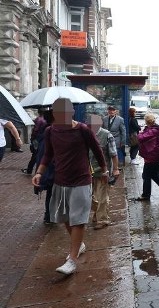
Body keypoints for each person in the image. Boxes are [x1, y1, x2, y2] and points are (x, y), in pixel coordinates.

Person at [32, 98, 108, 275]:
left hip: (81, 180)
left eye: (66, 112)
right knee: (65, 216)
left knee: (78, 219)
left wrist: (104, 171)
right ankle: (79, 244)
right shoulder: (51, 131)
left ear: (72, 112)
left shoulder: (82, 129)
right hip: (61, 180)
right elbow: (47, 154)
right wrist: (39, 173)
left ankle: (72, 260)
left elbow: (97, 150)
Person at [87, 114, 120, 229]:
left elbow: (113, 154)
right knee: (88, 197)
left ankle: (102, 219)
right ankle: (97, 212)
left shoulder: (106, 135)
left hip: (103, 171)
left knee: (102, 196)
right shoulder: (85, 134)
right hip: (87, 171)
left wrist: (115, 169)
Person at [135, 113, 159, 200]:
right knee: (153, 174)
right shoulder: (154, 128)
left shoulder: (154, 130)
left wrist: (140, 133)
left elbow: (141, 137)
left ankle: (146, 195)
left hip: (152, 156)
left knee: (146, 176)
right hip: (153, 155)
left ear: (147, 121)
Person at [22, 109, 47, 174]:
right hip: (43, 139)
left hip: (37, 139)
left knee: (35, 155)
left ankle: (30, 170)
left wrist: (32, 138)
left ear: (38, 112)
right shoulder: (46, 120)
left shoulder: (38, 119)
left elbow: (35, 130)